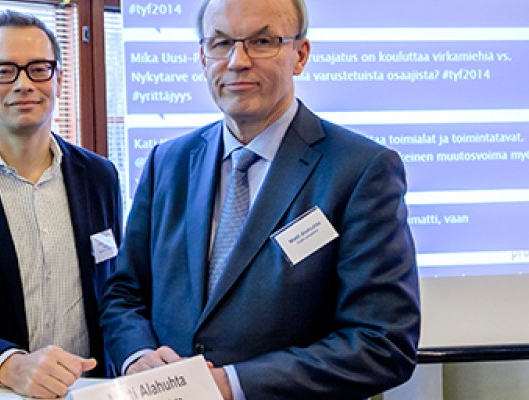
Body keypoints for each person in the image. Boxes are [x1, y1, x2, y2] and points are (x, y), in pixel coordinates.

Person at [100, 0, 421, 399]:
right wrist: (137, 356)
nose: (238, 61)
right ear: (202, 57)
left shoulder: (360, 170)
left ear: (300, 54)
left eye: (262, 42)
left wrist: (234, 384)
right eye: (221, 43)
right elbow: (124, 294)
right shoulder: (168, 162)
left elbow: (381, 342)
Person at [0, 10, 122, 399]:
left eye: (39, 69)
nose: (24, 84)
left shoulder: (100, 177)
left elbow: (114, 290)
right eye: (5, 71)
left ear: (58, 78)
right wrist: (8, 365)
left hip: (91, 388)